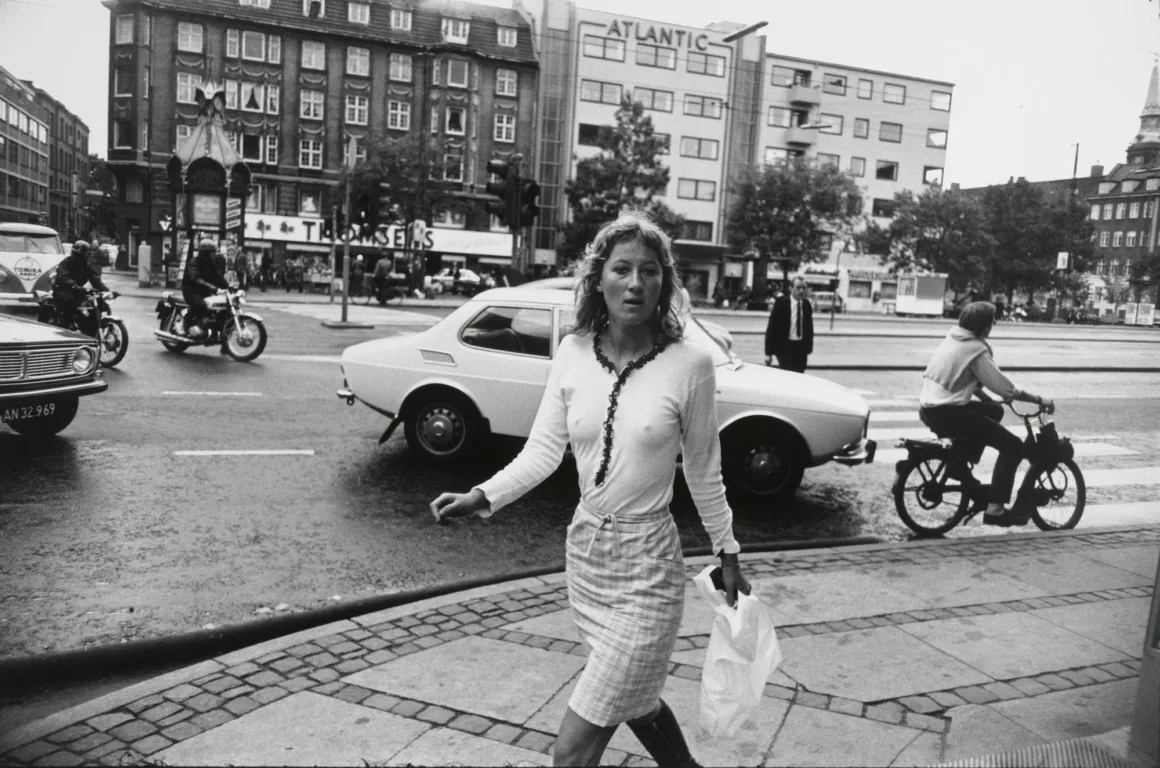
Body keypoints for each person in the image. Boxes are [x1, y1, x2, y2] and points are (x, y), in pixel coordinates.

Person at [429, 214, 749, 768]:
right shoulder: (573, 352)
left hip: (650, 566)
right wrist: (481, 496)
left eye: (649, 271)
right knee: (636, 701)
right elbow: (542, 452)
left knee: (573, 749)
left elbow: (703, 469)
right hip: (588, 557)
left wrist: (729, 553)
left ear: (665, 284)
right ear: (598, 278)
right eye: (621, 268)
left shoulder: (691, 364)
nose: (635, 283)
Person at [919, 302, 1055, 526]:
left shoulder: (954, 338)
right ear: (983, 326)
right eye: (992, 321)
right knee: (1013, 447)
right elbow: (1006, 388)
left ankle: (960, 462)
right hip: (949, 413)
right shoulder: (976, 350)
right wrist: (1039, 400)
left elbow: (961, 375)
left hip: (930, 408)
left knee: (994, 410)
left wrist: (986, 399)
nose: (994, 325)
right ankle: (995, 508)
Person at [52, 240, 108, 337]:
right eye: (83, 255)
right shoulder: (65, 263)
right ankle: (67, 326)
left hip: (77, 290)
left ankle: (90, 328)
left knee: (95, 303)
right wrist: (75, 286)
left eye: (87, 255)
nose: (86, 257)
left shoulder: (85, 266)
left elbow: (94, 278)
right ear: (77, 254)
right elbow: (65, 277)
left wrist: (105, 290)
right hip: (63, 290)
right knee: (69, 302)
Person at [764, 276, 814, 373]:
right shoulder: (782, 303)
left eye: (804, 288)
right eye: (798, 287)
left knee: (800, 374)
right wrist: (768, 353)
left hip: (801, 348)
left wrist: (808, 347)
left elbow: (809, 328)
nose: (801, 291)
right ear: (791, 288)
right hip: (785, 348)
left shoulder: (806, 304)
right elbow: (771, 328)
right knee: (788, 375)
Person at [181, 242, 230, 337]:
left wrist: (228, 287)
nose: (214, 255)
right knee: (201, 305)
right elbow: (196, 279)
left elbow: (218, 276)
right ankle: (184, 323)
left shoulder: (211, 264)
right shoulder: (194, 263)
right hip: (191, 291)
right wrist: (213, 288)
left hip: (204, 291)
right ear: (205, 253)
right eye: (212, 252)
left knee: (220, 307)